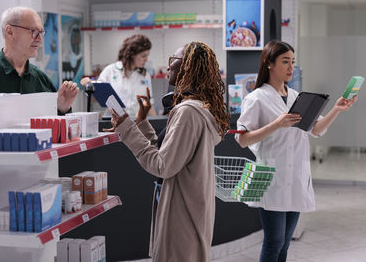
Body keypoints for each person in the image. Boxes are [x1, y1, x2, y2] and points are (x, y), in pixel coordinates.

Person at [235, 40, 358, 262]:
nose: (291, 67)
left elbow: (317, 129)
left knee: (284, 246)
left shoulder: (295, 97)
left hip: (296, 177)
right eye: (285, 61)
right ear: (269, 63)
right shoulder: (255, 98)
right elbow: (242, 139)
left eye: (293, 62)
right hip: (269, 179)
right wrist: (277, 124)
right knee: (274, 242)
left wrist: (337, 109)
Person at [107, 42, 230, 261]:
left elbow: (162, 165)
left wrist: (126, 127)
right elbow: (169, 153)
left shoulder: (187, 113)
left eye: (173, 60)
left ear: (187, 68)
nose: (169, 67)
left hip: (181, 214)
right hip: (189, 208)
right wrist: (142, 122)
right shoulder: (200, 108)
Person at [0, 6, 78, 114]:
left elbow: (54, 128)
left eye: (41, 33)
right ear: (10, 31)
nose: (40, 39)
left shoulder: (41, 80)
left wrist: (61, 109)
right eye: (34, 32)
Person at [81, 34, 155, 117]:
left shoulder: (145, 75)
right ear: (132, 54)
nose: (146, 59)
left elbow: (148, 105)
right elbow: (95, 99)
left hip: (136, 124)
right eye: (143, 56)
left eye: (147, 56)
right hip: (113, 123)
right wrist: (89, 87)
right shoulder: (110, 71)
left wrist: (159, 124)